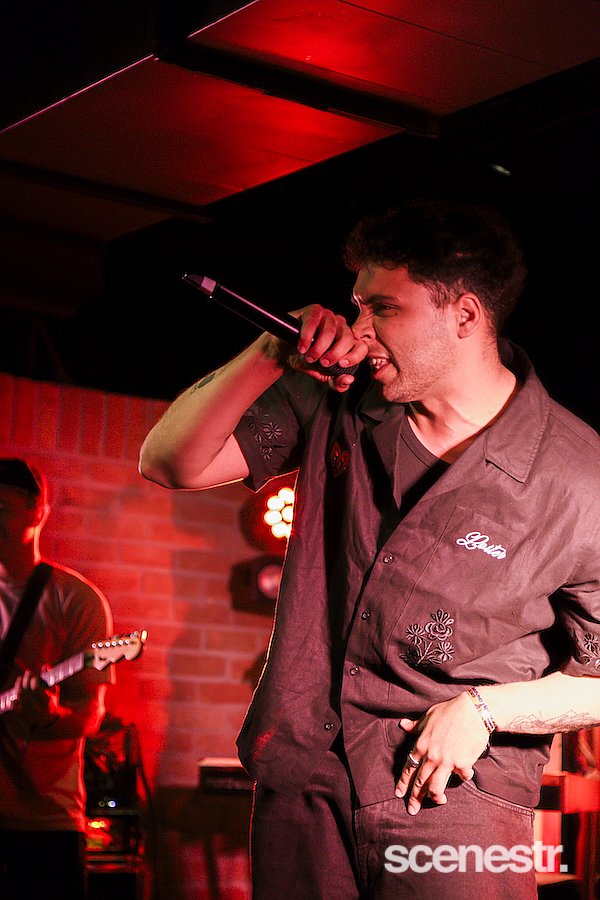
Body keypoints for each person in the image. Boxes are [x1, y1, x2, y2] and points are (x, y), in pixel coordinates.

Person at [138, 197, 600, 898]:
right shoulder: (337, 398)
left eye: (384, 309)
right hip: (304, 784)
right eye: (358, 307)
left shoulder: (577, 475)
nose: (359, 331)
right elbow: (169, 462)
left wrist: (486, 711)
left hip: (452, 803)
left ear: (464, 315)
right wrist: (269, 355)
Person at [0, 458, 115, 900]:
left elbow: (90, 715)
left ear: (37, 511)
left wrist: (47, 717)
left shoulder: (76, 600)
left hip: (42, 823)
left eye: (1, 508)